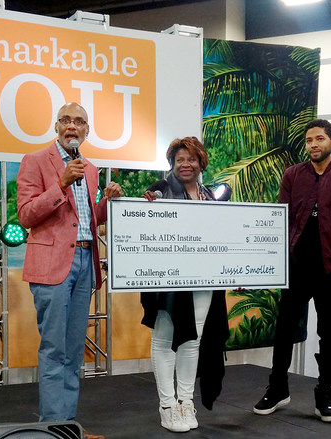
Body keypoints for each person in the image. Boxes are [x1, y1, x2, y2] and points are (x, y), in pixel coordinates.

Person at [17, 102, 122, 438]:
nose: (72, 126)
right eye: (66, 120)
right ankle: (52, 428)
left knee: (75, 350)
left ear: (87, 131)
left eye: (79, 121)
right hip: (52, 265)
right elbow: (26, 215)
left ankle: (67, 426)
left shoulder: (89, 169)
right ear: (56, 126)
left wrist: (109, 203)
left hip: (85, 261)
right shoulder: (35, 162)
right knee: (54, 349)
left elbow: (88, 218)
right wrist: (60, 183)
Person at [253, 119, 331, 423]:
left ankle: (326, 395)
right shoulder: (292, 175)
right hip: (296, 266)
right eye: (309, 140)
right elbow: (281, 218)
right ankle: (277, 389)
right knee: (284, 329)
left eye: (319, 139)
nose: (314, 145)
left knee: (328, 332)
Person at [140, 137, 229, 433]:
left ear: (201, 161)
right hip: (166, 282)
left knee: (193, 341)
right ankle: (166, 405)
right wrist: (147, 205)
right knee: (165, 341)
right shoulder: (159, 190)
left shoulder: (210, 196)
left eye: (191, 159)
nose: (185, 164)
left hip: (203, 280)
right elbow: (143, 224)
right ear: (172, 164)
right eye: (180, 160)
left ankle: (185, 402)